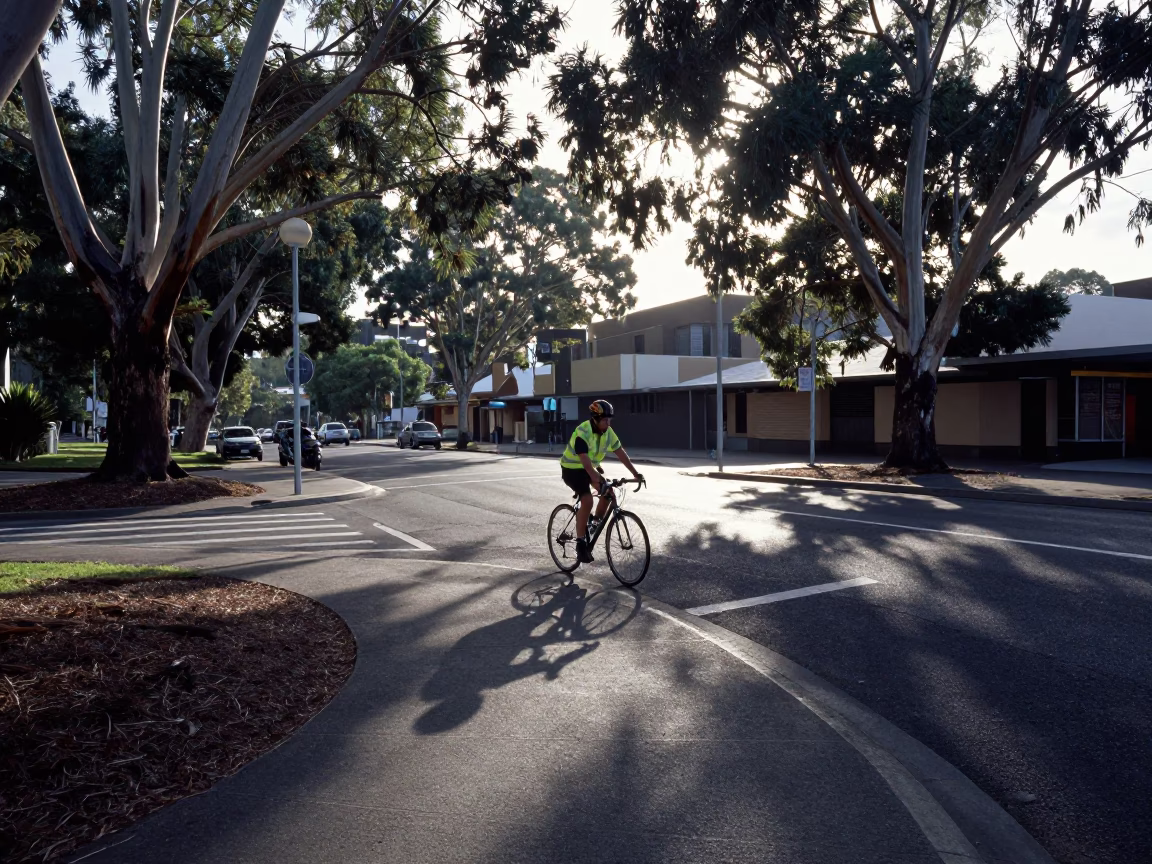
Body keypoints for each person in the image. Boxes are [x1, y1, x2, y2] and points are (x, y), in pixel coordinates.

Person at [559, 399, 644, 563]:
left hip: (589, 468)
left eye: (609, 420)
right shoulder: (582, 432)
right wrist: (596, 476)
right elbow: (584, 461)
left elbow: (620, 452)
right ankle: (580, 542)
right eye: (605, 420)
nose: (608, 423)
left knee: (608, 493)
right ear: (596, 419)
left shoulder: (608, 432)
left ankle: (594, 522)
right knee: (587, 499)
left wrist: (635, 473)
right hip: (571, 469)